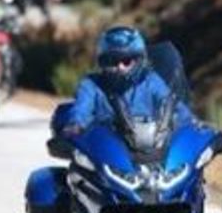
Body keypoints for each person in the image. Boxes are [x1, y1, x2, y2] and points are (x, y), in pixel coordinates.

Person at [59, 26, 195, 135]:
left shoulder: (151, 81)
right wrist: (75, 125)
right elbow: (82, 108)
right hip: (108, 150)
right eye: (113, 61)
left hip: (151, 149)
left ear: (138, 60)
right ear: (103, 61)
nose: (120, 67)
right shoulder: (91, 85)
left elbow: (173, 105)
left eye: (126, 61)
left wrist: (193, 125)